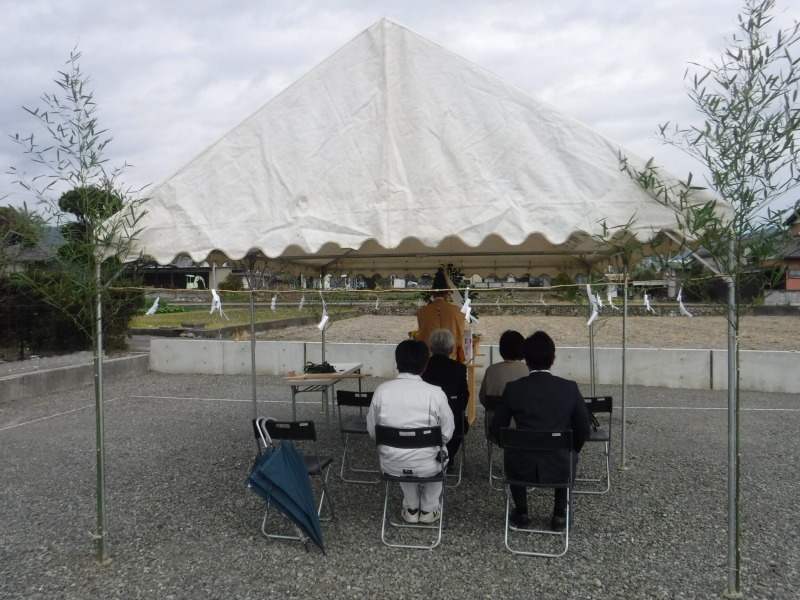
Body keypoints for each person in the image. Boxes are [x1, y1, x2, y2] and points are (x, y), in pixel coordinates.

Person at [490, 330, 592, 531]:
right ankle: (559, 514)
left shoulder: (514, 388)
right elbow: (583, 429)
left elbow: (497, 428)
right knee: (570, 454)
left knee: (513, 451)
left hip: (520, 465)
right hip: (560, 464)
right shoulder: (569, 388)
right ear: (553, 359)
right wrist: (572, 449)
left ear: (526, 361)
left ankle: (521, 512)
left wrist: (509, 445)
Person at [367, 339, 455, 524]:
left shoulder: (382, 391)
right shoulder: (436, 393)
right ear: (425, 366)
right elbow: (447, 433)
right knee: (441, 451)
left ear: (397, 363)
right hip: (428, 465)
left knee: (401, 450)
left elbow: (373, 431)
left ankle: (411, 506)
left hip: (390, 464)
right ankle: (429, 508)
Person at [421, 328, 470, 469]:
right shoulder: (459, 368)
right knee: (461, 424)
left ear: (431, 348)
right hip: (453, 420)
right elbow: (465, 396)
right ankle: (449, 458)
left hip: (424, 417)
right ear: (451, 348)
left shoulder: (423, 367)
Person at [416, 267, 467, 363]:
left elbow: (421, 338)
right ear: (447, 292)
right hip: (451, 360)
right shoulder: (458, 312)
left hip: (428, 362)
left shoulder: (422, 312)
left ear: (432, 292)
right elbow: (460, 337)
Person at [478, 330, 528, 406]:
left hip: (495, 413)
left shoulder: (491, 370)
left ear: (502, 349)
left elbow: (483, 398)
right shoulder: (528, 369)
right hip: (522, 413)